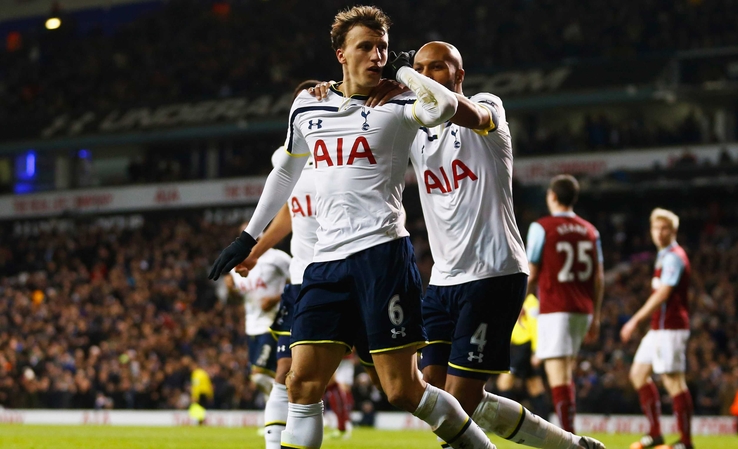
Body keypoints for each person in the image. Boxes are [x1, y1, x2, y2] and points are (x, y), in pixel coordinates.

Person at [209, 6, 497, 449]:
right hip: (324, 264)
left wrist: (404, 73)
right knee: (301, 383)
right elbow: (285, 172)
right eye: (366, 47)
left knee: (403, 391)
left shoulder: (403, 102)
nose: (377, 55)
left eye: (383, 47)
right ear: (340, 54)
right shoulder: (309, 103)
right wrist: (248, 236)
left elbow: (443, 105)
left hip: (381, 257)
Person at [406, 42, 604, 449]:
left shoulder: (486, 105)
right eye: (419, 68)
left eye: (437, 68)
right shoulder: (413, 132)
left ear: (459, 75)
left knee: (458, 403)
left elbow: (455, 109)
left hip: (493, 273)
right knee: (437, 394)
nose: (426, 75)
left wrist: (407, 76)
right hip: (442, 281)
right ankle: (573, 447)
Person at [234, 80, 322, 449]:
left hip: (350, 271)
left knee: (399, 385)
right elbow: (288, 212)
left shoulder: (343, 148)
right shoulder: (286, 159)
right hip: (302, 281)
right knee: (284, 374)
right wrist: (254, 250)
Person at [526, 174, 604, 434]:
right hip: (582, 309)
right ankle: (568, 433)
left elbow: (532, 272)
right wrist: (597, 315)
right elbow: (599, 277)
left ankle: (569, 438)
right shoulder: (591, 231)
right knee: (564, 373)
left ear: (553, 196)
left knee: (558, 375)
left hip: (556, 308)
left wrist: (517, 303)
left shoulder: (542, 227)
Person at [621, 208, 693, 449]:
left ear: (674, 231)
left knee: (674, 382)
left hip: (671, 328)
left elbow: (664, 293)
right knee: (638, 374)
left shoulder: (674, 256)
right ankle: (656, 434)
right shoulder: (663, 255)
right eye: (656, 228)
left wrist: (635, 320)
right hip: (658, 328)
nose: (659, 233)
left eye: (665, 229)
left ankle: (685, 442)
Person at [225, 223, 290, 397]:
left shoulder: (277, 258)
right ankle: (276, 420)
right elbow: (237, 297)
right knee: (268, 377)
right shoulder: (237, 264)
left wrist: (277, 298)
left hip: (274, 324)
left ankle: (286, 405)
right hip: (252, 327)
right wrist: (231, 291)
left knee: (260, 376)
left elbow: (298, 282)